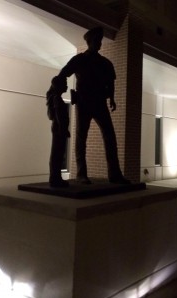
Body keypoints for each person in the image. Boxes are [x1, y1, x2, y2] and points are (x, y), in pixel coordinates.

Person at [59, 27, 130, 184]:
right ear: (89, 42)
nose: (99, 44)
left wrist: (111, 98)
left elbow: (110, 82)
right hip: (84, 102)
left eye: (100, 41)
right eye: (97, 41)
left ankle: (114, 173)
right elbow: (63, 73)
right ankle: (81, 173)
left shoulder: (105, 63)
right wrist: (57, 89)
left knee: (110, 136)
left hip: (99, 102)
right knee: (81, 137)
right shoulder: (79, 60)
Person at [46, 76, 70, 187]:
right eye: (64, 83)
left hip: (58, 128)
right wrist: (63, 129)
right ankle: (55, 179)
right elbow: (58, 115)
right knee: (57, 154)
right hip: (59, 129)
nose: (67, 85)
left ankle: (56, 178)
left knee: (58, 154)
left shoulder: (55, 98)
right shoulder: (56, 99)